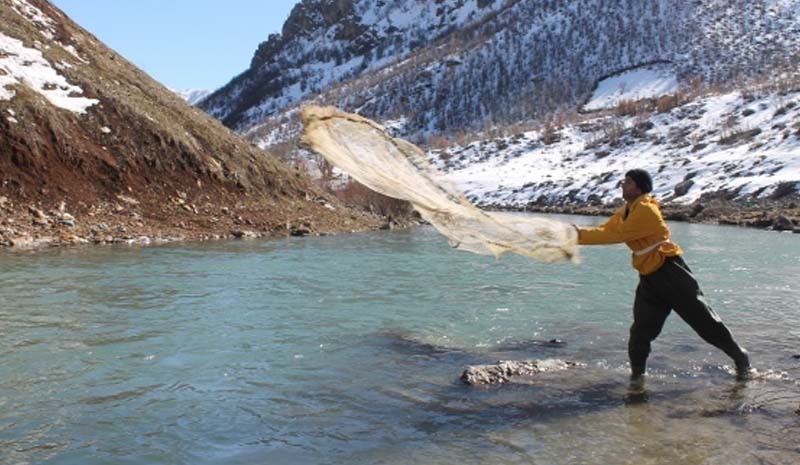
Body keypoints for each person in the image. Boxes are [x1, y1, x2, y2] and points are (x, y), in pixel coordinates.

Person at [573, 169, 751, 381]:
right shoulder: (628, 210)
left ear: (639, 187)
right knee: (640, 332)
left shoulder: (646, 210)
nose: (623, 185)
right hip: (649, 276)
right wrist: (575, 233)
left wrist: (576, 235)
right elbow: (606, 228)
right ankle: (637, 379)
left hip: (670, 272)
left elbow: (615, 235)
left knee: (704, 322)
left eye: (628, 182)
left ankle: (740, 357)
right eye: (623, 181)